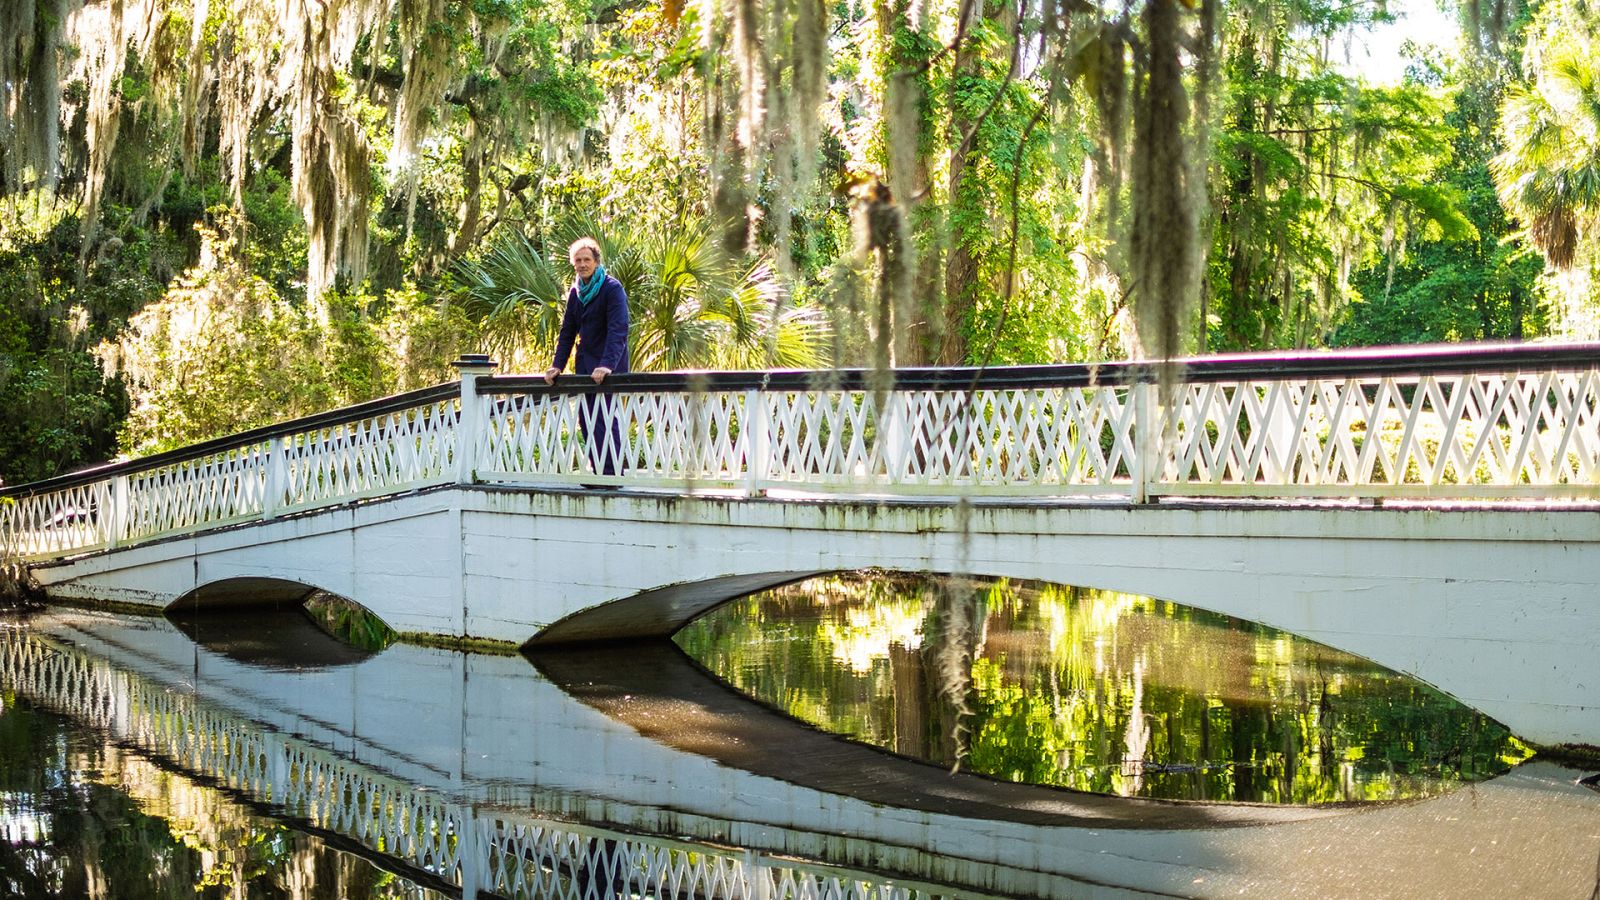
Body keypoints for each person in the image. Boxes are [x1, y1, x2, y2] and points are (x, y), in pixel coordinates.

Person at [544, 237, 631, 476]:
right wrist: (557, 366)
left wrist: (606, 365)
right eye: (578, 260)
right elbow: (568, 331)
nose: (582, 264)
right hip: (585, 364)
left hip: (609, 364)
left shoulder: (612, 289)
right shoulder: (576, 292)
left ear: (596, 261)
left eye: (587, 260)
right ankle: (598, 469)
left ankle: (613, 473)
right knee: (587, 417)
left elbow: (618, 329)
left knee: (604, 415)